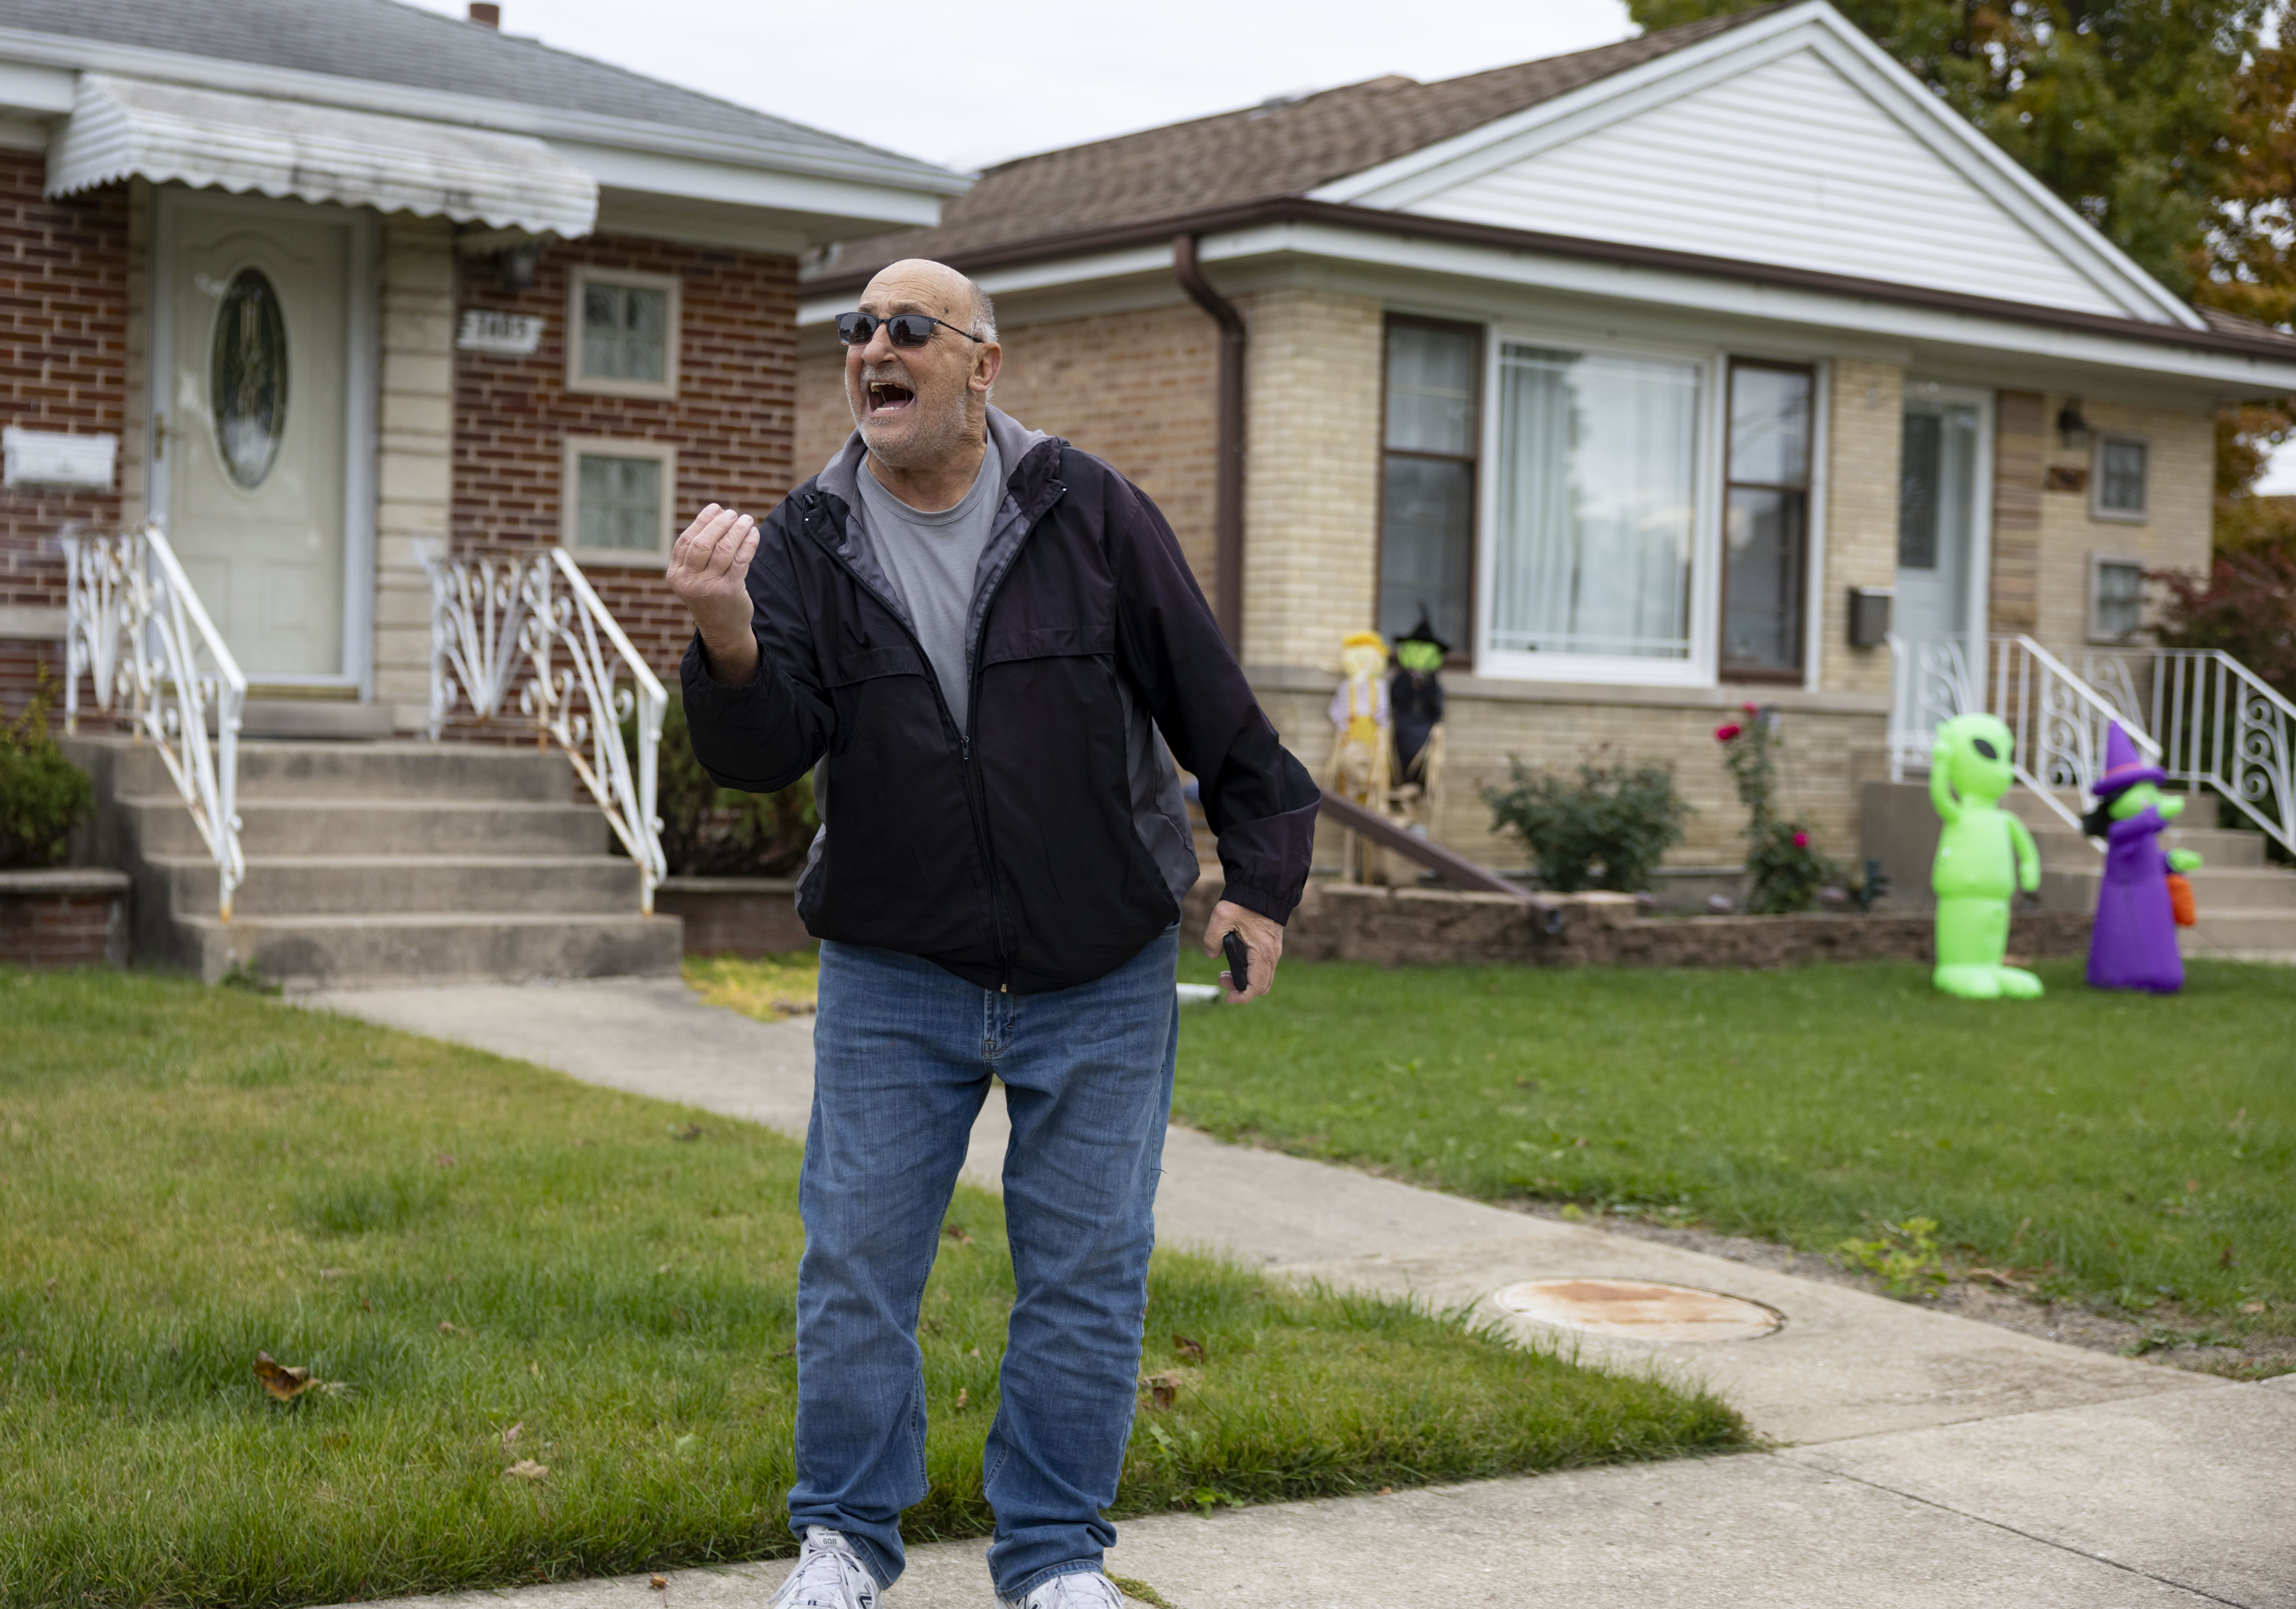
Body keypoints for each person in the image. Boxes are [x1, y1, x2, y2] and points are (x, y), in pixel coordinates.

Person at [666, 258, 1318, 1609]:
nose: (874, 350)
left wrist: (1259, 879)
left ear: (982, 366)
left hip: (1099, 963)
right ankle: (844, 1538)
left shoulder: (1086, 510)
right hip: (895, 966)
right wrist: (727, 633)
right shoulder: (809, 536)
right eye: (858, 331)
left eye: (910, 329)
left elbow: (1216, 709)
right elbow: (766, 749)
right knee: (856, 1266)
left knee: (1085, 1274)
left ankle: (1055, 1560)